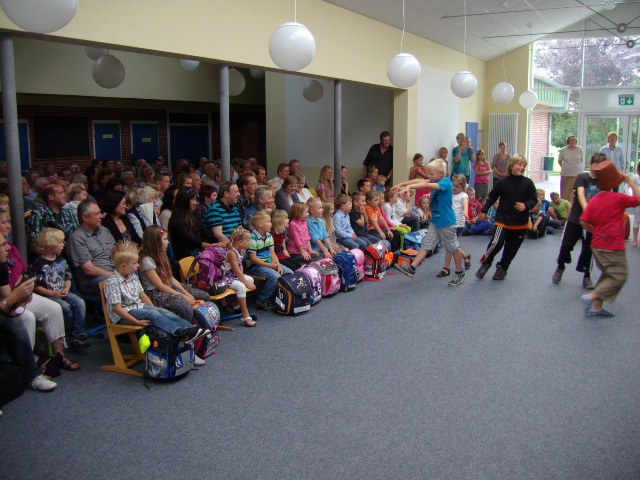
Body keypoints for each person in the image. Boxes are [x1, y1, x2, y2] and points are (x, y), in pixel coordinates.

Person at [104, 240, 209, 344]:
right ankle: (182, 332)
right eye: (135, 263)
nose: (138, 265)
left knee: (162, 312)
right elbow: (118, 310)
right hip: (123, 315)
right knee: (152, 314)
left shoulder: (132, 277)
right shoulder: (113, 283)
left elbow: (142, 295)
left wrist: (155, 309)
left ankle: (191, 329)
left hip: (137, 307)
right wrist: (136, 322)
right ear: (124, 266)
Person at [580, 161, 640, 317]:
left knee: (608, 274)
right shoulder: (618, 198)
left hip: (597, 245)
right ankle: (591, 297)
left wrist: (593, 230)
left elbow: (583, 220)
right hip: (612, 245)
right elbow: (638, 199)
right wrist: (629, 181)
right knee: (620, 275)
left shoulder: (595, 199)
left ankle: (596, 307)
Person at [393, 159, 465, 286]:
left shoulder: (446, 183)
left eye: (432, 174)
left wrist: (408, 187)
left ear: (441, 173)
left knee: (453, 248)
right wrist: (401, 184)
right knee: (426, 244)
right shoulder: (435, 180)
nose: (429, 176)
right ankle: (412, 268)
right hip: (436, 221)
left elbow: (426, 185)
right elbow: (419, 181)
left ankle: (460, 273)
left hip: (446, 222)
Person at [0, 234, 57, 392]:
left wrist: (20, 298)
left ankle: (31, 374)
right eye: (2, 245)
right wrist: (13, 298)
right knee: (15, 320)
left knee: (17, 317)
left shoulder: (1, 267)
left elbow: (6, 303)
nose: (8, 248)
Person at [475, 155, 538, 281]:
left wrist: (525, 205)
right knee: (496, 243)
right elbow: (492, 197)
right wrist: (484, 210)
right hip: (503, 219)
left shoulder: (528, 183)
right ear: (512, 166)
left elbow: (534, 200)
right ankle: (486, 262)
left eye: (524, 165)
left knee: (512, 248)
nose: (522, 167)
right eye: (519, 164)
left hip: (520, 222)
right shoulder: (503, 182)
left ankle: (503, 267)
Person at [551, 152, 607, 288]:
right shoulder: (582, 177)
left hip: (593, 220)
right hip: (577, 217)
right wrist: (587, 211)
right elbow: (581, 194)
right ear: (591, 164)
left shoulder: (604, 181)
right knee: (566, 245)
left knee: (589, 248)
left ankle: (586, 276)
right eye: (596, 165)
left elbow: (606, 199)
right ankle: (560, 266)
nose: (598, 169)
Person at [138, 225, 209, 324]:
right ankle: (186, 329)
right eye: (165, 239)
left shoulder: (161, 254)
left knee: (205, 296)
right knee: (185, 306)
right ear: (155, 243)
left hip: (168, 286)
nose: (168, 242)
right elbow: (160, 286)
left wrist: (185, 292)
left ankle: (203, 323)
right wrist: (183, 296)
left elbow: (170, 277)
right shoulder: (146, 260)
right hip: (156, 294)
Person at [32, 228, 88, 349]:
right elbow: (36, 286)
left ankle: (78, 333)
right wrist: (52, 293)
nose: (64, 244)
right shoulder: (39, 263)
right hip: (48, 295)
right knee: (65, 308)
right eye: (60, 242)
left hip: (63, 292)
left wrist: (67, 288)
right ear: (51, 244)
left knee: (80, 302)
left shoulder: (62, 260)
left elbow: (67, 278)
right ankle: (69, 334)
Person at [246, 210, 293, 312]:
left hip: (269, 263)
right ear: (260, 224)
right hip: (256, 266)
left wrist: (277, 265)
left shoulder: (269, 236)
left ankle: (279, 297)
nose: (271, 224)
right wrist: (271, 266)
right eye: (268, 221)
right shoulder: (253, 238)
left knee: (289, 272)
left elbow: (273, 254)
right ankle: (263, 299)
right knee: (275, 276)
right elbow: (253, 259)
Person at [67, 199, 116, 296]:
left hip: (114, 273)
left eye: (100, 213)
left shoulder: (104, 230)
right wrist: (115, 275)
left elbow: (117, 253)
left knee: (133, 275)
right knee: (114, 282)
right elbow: (89, 269)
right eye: (97, 214)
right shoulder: (77, 238)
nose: (101, 216)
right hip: (92, 281)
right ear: (85, 218)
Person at [27, 184, 79, 253]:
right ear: (51, 197)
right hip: (49, 256)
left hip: (72, 254)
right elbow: (35, 245)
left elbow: (78, 237)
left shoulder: (69, 213)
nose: (65, 196)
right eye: (61, 193)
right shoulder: (39, 215)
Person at [436, 174, 471, 277]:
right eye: (453, 185)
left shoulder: (463, 195)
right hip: (449, 222)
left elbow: (465, 203)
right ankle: (465, 255)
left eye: (457, 186)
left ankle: (446, 268)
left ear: (462, 187)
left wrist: (465, 210)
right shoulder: (449, 194)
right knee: (451, 244)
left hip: (458, 224)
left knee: (449, 246)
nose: (454, 188)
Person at [221, 227, 256, 327]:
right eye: (248, 240)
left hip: (234, 276)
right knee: (242, 287)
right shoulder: (232, 253)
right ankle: (245, 315)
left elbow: (240, 269)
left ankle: (235, 304)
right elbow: (237, 270)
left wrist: (246, 281)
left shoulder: (240, 251)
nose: (249, 242)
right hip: (227, 278)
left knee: (251, 279)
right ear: (240, 242)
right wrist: (245, 283)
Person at [168, 187, 215, 260]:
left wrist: (220, 242)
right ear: (185, 200)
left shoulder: (194, 215)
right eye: (193, 200)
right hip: (185, 256)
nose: (196, 203)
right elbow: (190, 240)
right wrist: (212, 246)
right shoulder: (176, 220)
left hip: (197, 251)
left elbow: (206, 234)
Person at [204, 181, 242, 247]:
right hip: (222, 248)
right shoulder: (214, 209)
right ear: (226, 194)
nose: (239, 194)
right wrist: (234, 247)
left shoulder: (235, 208)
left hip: (236, 245)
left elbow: (240, 230)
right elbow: (218, 235)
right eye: (236, 192)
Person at [558, 135, 584, 201]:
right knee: (565, 193)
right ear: (568, 141)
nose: (573, 141)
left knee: (576, 193)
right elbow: (560, 161)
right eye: (571, 140)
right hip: (566, 174)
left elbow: (581, 160)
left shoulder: (579, 149)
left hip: (576, 174)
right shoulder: (563, 150)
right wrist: (565, 167)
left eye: (574, 140)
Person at [631, 163, 640, 247]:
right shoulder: (635, 177)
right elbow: (627, 186)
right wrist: (631, 196)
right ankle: (635, 239)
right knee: (637, 219)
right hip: (637, 201)